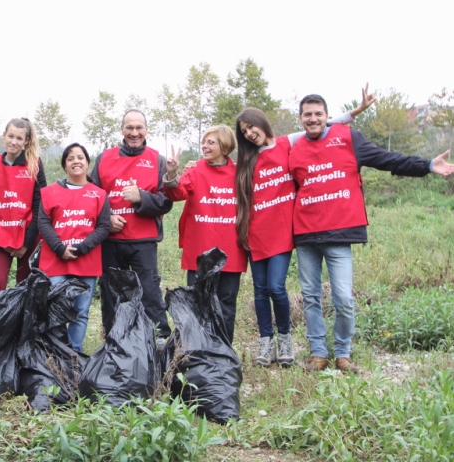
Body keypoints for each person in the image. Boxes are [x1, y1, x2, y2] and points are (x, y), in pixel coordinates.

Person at [289, 93, 454, 373]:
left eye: (318, 113)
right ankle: (318, 354)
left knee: (342, 297)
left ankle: (343, 353)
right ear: (301, 118)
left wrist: (426, 165)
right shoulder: (292, 147)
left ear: (327, 116)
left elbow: (387, 159)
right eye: (307, 114)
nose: (313, 119)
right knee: (311, 296)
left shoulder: (349, 138)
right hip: (305, 234)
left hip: (339, 234)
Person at [235, 88, 376, 368]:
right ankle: (269, 344)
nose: (250, 133)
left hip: (285, 232)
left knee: (277, 287)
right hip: (256, 233)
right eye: (244, 131)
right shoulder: (246, 159)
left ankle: (291, 341)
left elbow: (323, 125)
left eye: (252, 126)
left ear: (262, 123)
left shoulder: (288, 143)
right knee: (261, 290)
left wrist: (356, 112)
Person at [90, 109, 173, 340]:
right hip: (111, 241)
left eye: (139, 128)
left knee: (150, 296)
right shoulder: (104, 158)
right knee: (111, 296)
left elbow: (166, 202)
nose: (134, 133)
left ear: (146, 130)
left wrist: (141, 198)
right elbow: (92, 198)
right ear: (122, 130)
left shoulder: (157, 160)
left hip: (143, 241)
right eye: (129, 128)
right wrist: (106, 219)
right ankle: (114, 344)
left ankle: (159, 344)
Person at [163, 125, 245, 343]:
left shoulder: (240, 172)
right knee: (198, 300)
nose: (205, 146)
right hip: (199, 247)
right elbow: (178, 192)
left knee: (227, 300)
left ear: (225, 146)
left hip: (231, 248)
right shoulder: (195, 169)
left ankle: (224, 348)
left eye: (211, 142)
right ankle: (199, 349)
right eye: (204, 142)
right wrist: (172, 173)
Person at [38, 143, 110, 352]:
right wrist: (60, 248)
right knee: (55, 309)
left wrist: (82, 247)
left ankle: (74, 354)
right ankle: (55, 353)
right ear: (65, 165)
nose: (76, 161)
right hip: (55, 261)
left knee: (81, 311)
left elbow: (104, 226)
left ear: (88, 163)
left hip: (86, 261)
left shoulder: (99, 194)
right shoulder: (49, 192)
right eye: (70, 158)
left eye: (80, 157)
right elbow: (44, 223)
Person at [0, 117, 46, 298]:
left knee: (24, 286)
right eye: (11, 136)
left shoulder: (34, 164)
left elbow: (41, 205)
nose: (14, 142)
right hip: (2, 238)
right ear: (4, 136)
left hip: (28, 236)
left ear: (25, 141)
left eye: (19, 138)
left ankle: (21, 325)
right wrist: (1, 239)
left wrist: (25, 243)